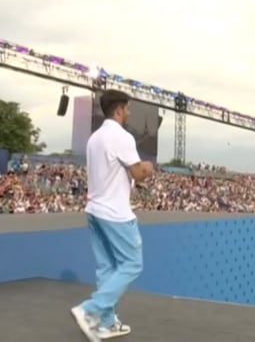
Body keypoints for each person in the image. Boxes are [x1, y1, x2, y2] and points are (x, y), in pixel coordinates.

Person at [71, 90, 154, 341]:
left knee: (106, 268)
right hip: (115, 213)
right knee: (132, 264)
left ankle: (106, 323)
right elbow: (139, 173)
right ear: (119, 110)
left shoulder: (94, 139)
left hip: (94, 210)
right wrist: (148, 168)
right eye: (127, 109)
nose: (128, 113)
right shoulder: (122, 137)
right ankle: (89, 309)